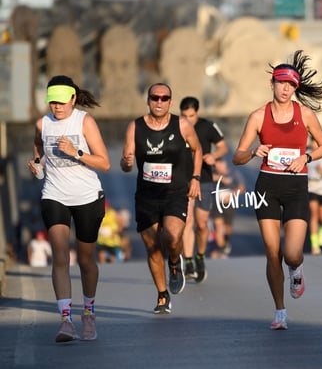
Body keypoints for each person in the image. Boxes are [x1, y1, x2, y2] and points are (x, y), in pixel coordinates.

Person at [232, 50, 322, 330]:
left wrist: (307, 157)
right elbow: (236, 157)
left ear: (295, 88)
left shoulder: (306, 114)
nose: (285, 89)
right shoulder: (258, 116)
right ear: (272, 84)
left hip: (296, 186)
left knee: (291, 253)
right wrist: (253, 151)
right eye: (281, 83)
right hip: (267, 187)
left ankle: (296, 269)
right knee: (272, 251)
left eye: (291, 85)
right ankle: (280, 311)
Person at [27, 75, 110, 343]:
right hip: (54, 195)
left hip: (87, 196)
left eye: (62, 102)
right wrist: (37, 168)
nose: (57, 107)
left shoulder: (85, 122)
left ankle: (88, 313)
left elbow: (105, 163)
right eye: (53, 102)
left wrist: (76, 152)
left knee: (86, 260)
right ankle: (66, 321)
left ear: (73, 99)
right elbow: (39, 153)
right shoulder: (42, 124)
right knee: (60, 256)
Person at [120, 83, 202, 314]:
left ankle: (175, 264)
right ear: (148, 100)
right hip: (147, 195)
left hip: (175, 192)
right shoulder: (135, 127)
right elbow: (125, 162)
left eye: (164, 98)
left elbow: (197, 150)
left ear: (170, 102)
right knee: (153, 247)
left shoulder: (182, 125)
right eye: (155, 97)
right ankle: (162, 295)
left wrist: (195, 178)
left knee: (173, 237)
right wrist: (126, 164)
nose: (159, 101)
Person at [179, 96, 228, 283]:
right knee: (187, 220)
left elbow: (223, 147)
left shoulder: (208, 126)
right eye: (184, 115)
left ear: (197, 113)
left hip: (205, 179)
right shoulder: (177, 126)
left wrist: (213, 156)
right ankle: (189, 261)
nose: (187, 119)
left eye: (191, 115)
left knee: (201, 223)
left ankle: (200, 256)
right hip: (184, 180)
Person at [210, 157, 245, 258]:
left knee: (227, 228)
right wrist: (220, 178)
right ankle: (221, 248)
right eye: (216, 165)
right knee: (218, 225)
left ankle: (224, 244)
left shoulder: (234, 173)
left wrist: (232, 194)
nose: (218, 167)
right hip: (216, 203)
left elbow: (241, 188)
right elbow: (207, 179)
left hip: (229, 203)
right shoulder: (213, 174)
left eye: (220, 164)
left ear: (224, 163)